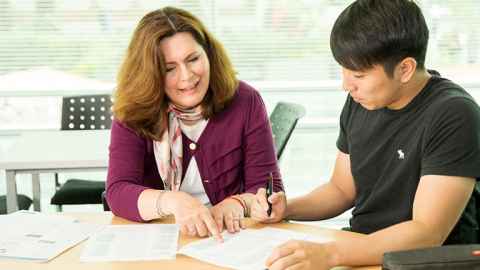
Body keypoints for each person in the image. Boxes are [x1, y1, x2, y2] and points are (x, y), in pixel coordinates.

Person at [251, 0, 480, 269]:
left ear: (404, 69)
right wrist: (287, 209)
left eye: (358, 74)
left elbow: (427, 232)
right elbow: (341, 189)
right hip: (361, 248)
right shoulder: (363, 100)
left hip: (421, 261)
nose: (346, 85)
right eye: (344, 70)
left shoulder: (454, 114)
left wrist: (331, 255)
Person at [106, 6, 283, 242]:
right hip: (160, 240)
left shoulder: (245, 101)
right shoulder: (134, 109)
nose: (187, 76)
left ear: (208, 54)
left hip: (228, 239)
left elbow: (265, 187)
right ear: (150, 73)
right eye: (169, 68)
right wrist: (172, 201)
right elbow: (117, 192)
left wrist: (241, 203)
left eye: (193, 59)